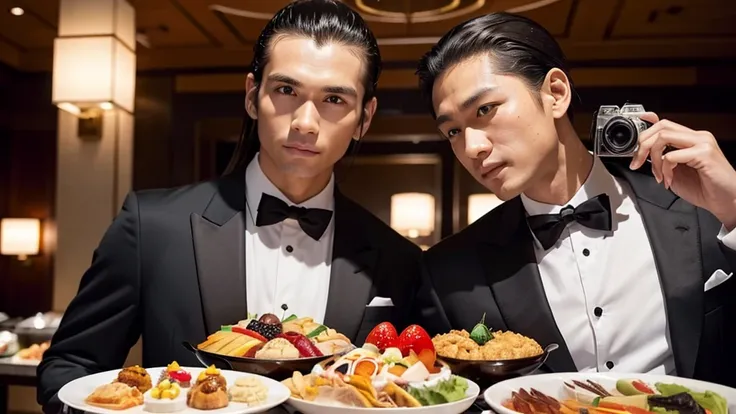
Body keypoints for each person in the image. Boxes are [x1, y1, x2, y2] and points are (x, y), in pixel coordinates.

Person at [37, 0, 422, 411]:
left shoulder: (398, 259)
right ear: (253, 96)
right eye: (287, 90)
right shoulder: (151, 227)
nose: (305, 122)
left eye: (334, 99)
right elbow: (69, 366)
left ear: (364, 118)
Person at [415, 12, 736, 386]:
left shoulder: (705, 208)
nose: (471, 147)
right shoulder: (448, 272)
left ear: (555, 93)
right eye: (453, 130)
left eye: (485, 110)